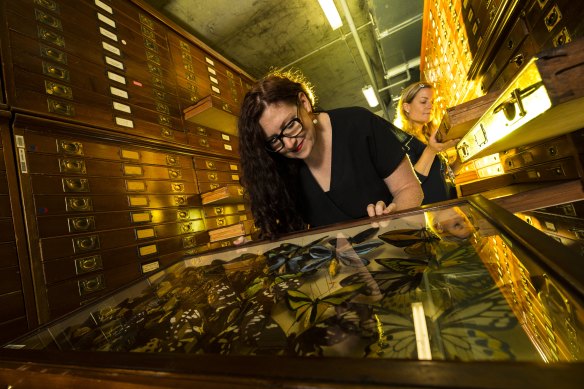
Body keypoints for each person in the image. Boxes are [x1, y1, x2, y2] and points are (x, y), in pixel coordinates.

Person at [237, 70, 424, 240]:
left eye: (290, 125)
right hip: (343, 270)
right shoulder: (278, 164)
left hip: (397, 246)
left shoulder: (358, 124)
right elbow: (288, 230)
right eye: (275, 139)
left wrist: (393, 213)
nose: (289, 143)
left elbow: (409, 188)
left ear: (304, 103)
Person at [394, 82, 459, 205]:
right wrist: (431, 150)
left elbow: (442, 174)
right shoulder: (402, 141)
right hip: (429, 213)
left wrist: (461, 159)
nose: (430, 106)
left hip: (447, 206)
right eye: (424, 102)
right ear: (407, 107)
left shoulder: (428, 136)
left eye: (432, 102)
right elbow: (411, 183)